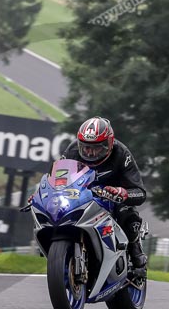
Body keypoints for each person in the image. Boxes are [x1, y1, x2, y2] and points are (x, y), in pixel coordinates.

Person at [60, 116, 147, 271]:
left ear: (110, 143)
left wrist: (123, 193)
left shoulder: (121, 153)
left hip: (111, 197)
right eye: (86, 147)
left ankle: (134, 248)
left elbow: (140, 192)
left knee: (126, 214)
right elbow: (58, 179)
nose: (91, 152)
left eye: (97, 147)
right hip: (81, 195)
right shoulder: (72, 150)